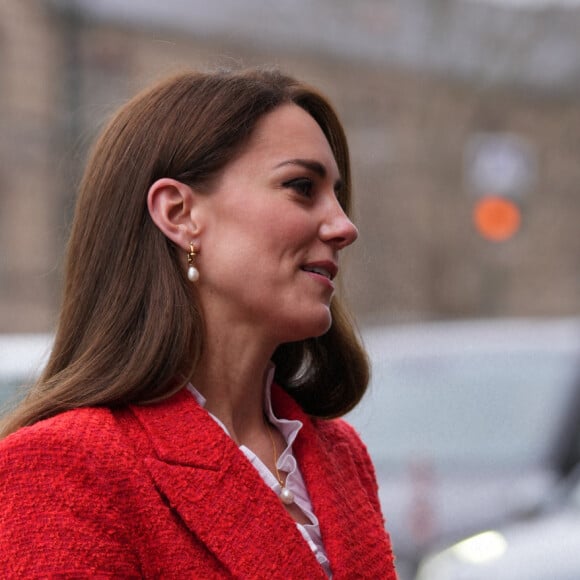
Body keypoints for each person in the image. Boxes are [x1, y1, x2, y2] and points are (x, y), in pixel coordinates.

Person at [0, 68, 396, 578]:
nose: (344, 226)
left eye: (337, 196)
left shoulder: (339, 455)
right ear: (180, 212)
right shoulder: (62, 468)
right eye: (302, 187)